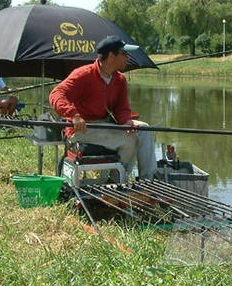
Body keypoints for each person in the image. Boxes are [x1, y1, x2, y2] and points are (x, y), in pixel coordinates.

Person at [49, 35, 157, 180]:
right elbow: (56, 94)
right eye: (124, 54)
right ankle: (117, 179)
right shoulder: (83, 75)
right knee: (129, 140)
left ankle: (148, 179)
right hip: (82, 128)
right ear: (111, 56)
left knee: (144, 129)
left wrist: (127, 121)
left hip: (106, 125)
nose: (128, 57)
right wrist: (74, 115)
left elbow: (122, 108)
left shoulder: (119, 79)